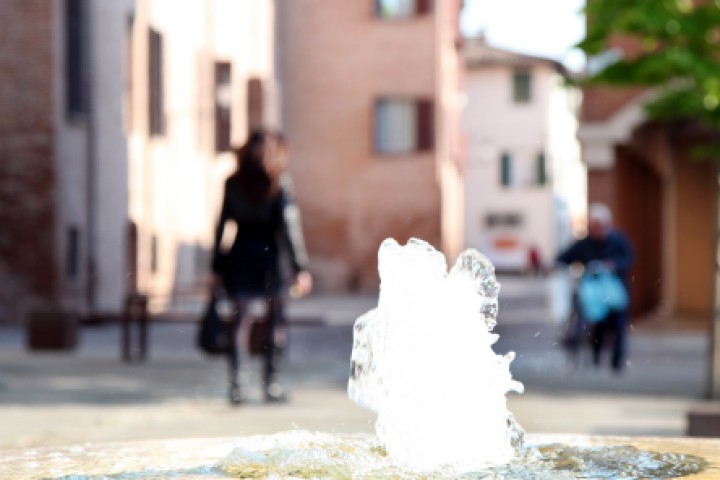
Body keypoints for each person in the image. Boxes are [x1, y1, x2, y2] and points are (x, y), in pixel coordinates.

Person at [211, 129, 312, 404]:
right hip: (272, 255)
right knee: (275, 320)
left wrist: (217, 265)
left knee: (240, 320)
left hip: (241, 252)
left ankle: (237, 386)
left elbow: (222, 224)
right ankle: (272, 383)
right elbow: (290, 227)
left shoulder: (233, 182)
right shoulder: (280, 182)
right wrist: (300, 266)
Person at [556, 203, 634, 372]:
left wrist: (613, 265)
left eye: (601, 226)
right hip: (593, 296)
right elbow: (563, 258)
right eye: (594, 226)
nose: (598, 230)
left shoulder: (618, 240)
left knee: (619, 326)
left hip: (615, 294)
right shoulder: (584, 244)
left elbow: (629, 258)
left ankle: (617, 363)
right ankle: (596, 358)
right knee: (597, 325)